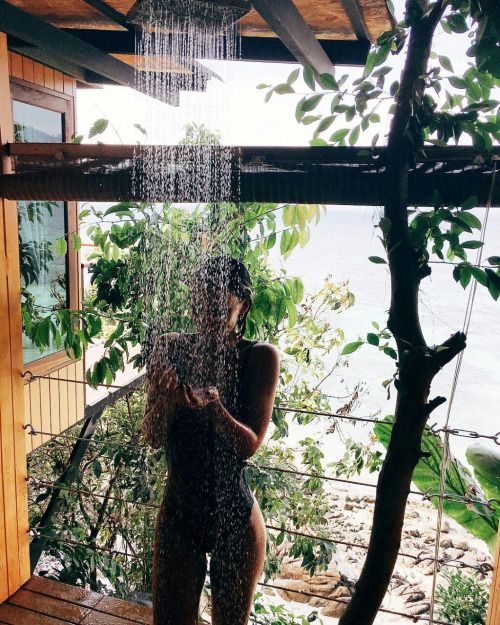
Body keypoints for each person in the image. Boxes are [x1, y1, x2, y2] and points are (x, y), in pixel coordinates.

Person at [141, 256, 280, 625]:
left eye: (219, 307)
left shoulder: (259, 357)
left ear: (243, 306)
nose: (206, 315)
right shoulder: (171, 347)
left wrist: (216, 409)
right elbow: (152, 436)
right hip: (179, 514)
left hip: (236, 521)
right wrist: (165, 399)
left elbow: (250, 444)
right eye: (200, 304)